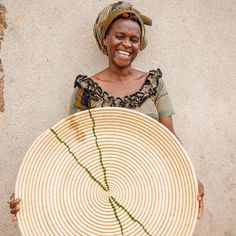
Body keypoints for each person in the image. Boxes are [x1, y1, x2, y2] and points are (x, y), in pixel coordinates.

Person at [9, 0, 204, 221]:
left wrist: (191, 176)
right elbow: (68, 146)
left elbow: (170, 138)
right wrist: (29, 188)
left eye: (134, 39)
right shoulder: (86, 90)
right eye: (120, 36)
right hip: (99, 193)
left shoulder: (153, 84)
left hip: (150, 187)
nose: (127, 44)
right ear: (105, 39)